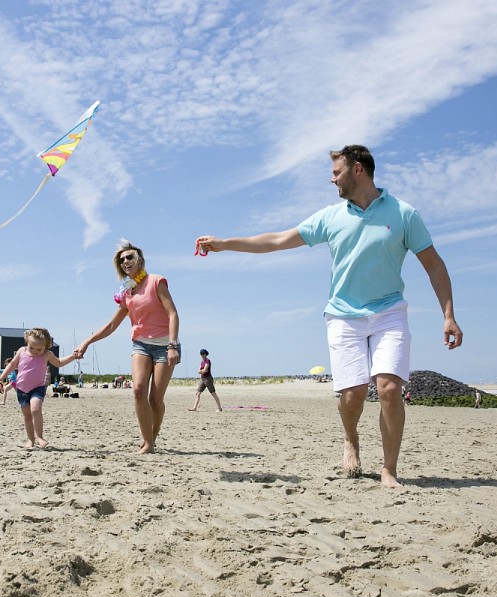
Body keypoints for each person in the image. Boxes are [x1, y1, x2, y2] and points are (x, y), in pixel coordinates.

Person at [195, 145, 462, 488]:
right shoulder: (330, 217)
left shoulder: (404, 213)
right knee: (351, 394)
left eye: (337, 172)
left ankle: (389, 470)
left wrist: (448, 315)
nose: (332, 178)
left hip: (389, 311)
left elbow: (434, 264)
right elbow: (277, 240)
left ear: (358, 170)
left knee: (390, 389)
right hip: (343, 316)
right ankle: (351, 440)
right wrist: (225, 243)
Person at [75, 239, 181, 454]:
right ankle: (148, 443)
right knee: (139, 390)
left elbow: (173, 314)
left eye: (129, 257)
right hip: (141, 344)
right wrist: (87, 342)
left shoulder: (156, 281)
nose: (126, 261)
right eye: (122, 260)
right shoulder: (126, 292)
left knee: (155, 400)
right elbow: (112, 325)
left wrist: (172, 345)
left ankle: (154, 432)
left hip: (164, 345)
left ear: (139, 259)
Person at [0, 328, 78, 450]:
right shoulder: (22, 351)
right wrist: (2, 377)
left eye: (39, 349)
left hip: (37, 388)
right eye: (32, 348)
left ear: (46, 346)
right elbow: (12, 364)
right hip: (21, 389)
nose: (35, 351)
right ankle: (30, 440)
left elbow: (59, 362)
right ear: (27, 343)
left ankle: (39, 436)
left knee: (35, 409)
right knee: (27, 416)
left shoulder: (47, 355)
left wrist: (73, 356)